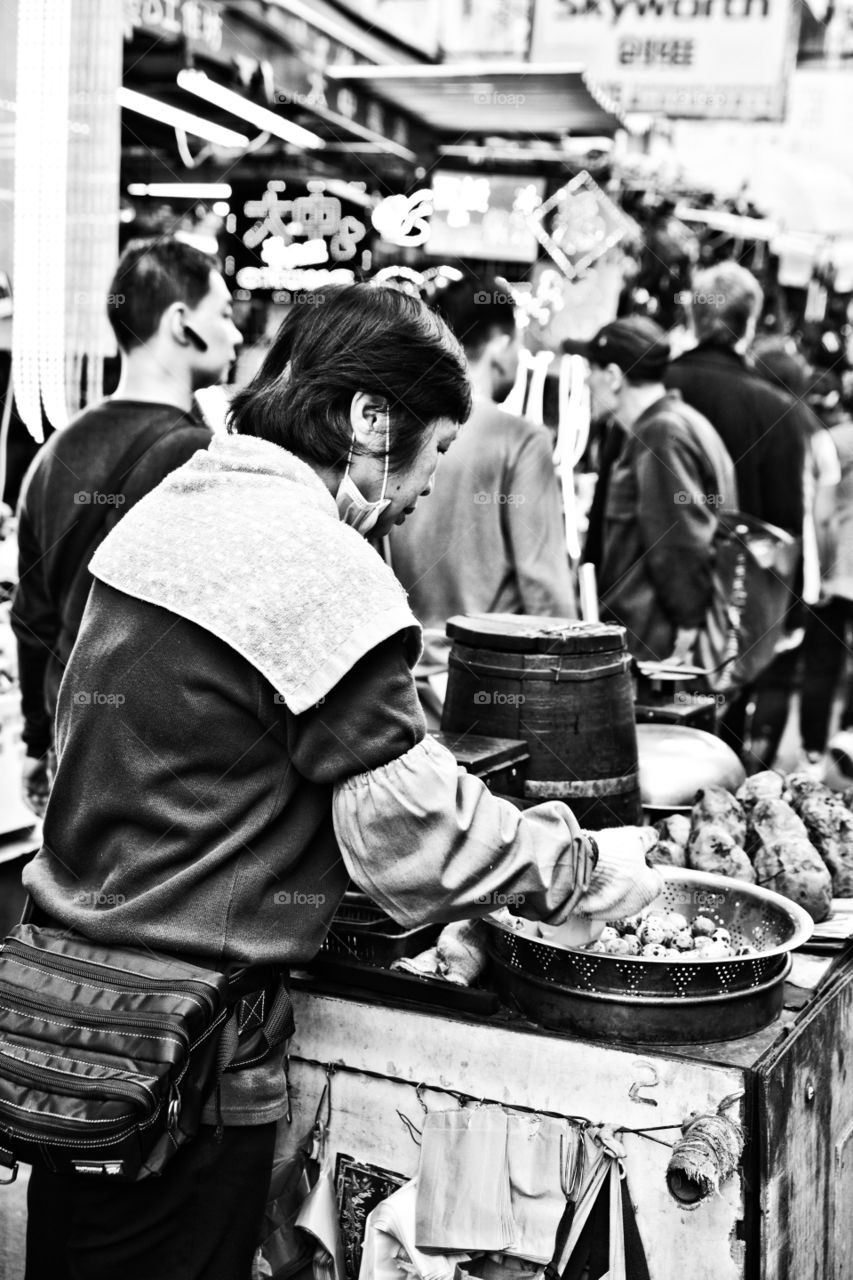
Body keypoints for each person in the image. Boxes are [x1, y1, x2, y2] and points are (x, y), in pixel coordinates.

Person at [21, 285, 660, 1280]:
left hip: (72, 1023)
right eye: (436, 451)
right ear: (369, 419)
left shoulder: (173, 505)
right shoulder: (309, 556)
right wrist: (577, 865)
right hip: (183, 1061)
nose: (427, 488)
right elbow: (408, 829)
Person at [11, 237, 241, 814]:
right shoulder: (203, 457)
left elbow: (32, 618)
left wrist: (37, 740)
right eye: (225, 314)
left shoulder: (53, 454)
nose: (237, 334)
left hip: (72, 743)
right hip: (164, 765)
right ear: (182, 323)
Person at [387, 276, 575, 724]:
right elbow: (546, 592)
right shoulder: (520, 440)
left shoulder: (401, 434)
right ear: (501, 343)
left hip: (404, 689)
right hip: (494, 691)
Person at [664, 263, 805, 756]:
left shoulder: (654, 386)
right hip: (734, 621)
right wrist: (785, 620)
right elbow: (785, 532)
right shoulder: (777, 410)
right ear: (749, 323)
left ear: (694, 316)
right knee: (717, 754)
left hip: (649, 607)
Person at [581, 316, 737, 670]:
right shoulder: (676, 423)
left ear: (614, 376)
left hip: (656, 649)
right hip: (657, 642)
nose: (587, 382)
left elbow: (679, 540)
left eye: (592, 370)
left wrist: (688, 624)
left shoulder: (660, 433)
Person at [799, 369, 853, 763]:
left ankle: (814, 750)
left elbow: (821, 515)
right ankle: (849, 741)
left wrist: (820, 571)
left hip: (836, 569)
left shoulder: (831, 441)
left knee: (821, 662)